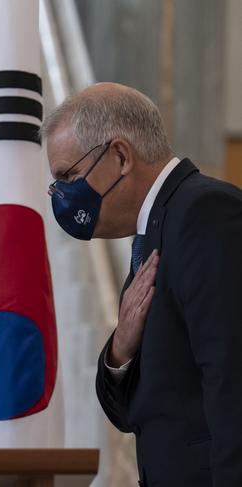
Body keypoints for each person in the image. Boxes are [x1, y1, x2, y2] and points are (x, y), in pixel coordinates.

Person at [41, 83, 242, 486]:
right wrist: (120, 351)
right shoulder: (154, 229)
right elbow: (133, 413)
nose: (61, 195)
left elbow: (232, 382)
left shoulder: (205, 213)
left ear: (119, 156)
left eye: (69, 175)